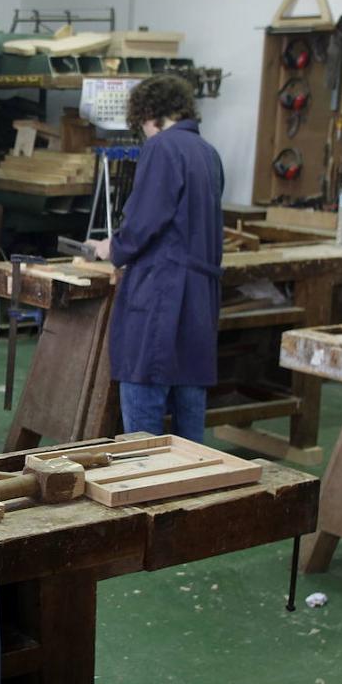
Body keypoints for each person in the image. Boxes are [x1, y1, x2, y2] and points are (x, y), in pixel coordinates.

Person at [86, 74, 224, 443]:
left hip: (161, 297)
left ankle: (146, 490)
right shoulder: (208, 152)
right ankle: (197, 497)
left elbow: (144, 222)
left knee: (143, 435)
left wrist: (111, 248)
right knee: (190, 432)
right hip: (199, 302)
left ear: (150, 115)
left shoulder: (163, 147)